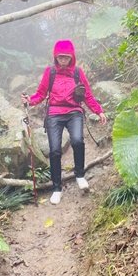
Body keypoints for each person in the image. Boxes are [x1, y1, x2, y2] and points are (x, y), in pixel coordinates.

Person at [21, 39, 107, 205]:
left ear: (72, 57)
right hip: (54, 114)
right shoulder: (50, 72)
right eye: (60, 57)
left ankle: (80, 175)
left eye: (66, 57)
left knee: (77, 141)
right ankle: (56, 188)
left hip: (74, 112)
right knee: (54, 150)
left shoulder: (77, 72)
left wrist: (98, 110)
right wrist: (29, 101)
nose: (63, 60)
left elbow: (87, 94)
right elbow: (40, 94)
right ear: (56, 57)